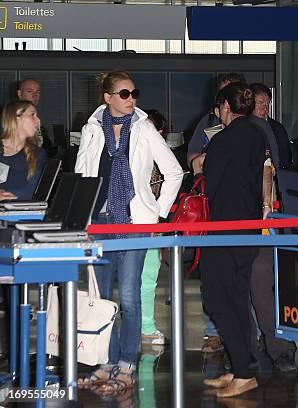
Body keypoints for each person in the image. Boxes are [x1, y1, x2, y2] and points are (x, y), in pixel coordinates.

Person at [75, 71, 183, 392]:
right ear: (108, 97)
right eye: (124, 94)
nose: (131, 99)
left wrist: (157, 216)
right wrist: (85, 222)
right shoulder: (92, 130)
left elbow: (174, 172)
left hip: (136, 223)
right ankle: (106, 363)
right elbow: (83, 176)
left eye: (134, 93)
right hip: (101, 222)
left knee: (131, 297)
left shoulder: (144, 128)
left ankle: (127, 365)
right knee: (102, 299)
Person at [194, 82, 268, 398]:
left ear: (226, 106)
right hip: (248, 227)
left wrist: (199, 164)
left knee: (215, 297)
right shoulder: (258, 134)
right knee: (238, 297)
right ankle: (243, 366)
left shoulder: (223, 140)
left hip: (223, 229)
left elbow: (208, 185)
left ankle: (242, 371)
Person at [188, 72, 245, 355]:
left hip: (231, 215)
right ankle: (223, 340)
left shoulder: (239, 134)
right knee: (223, 282)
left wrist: (204, 168)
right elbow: (192, 155)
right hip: (226, 216)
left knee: (226, 285)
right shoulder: (211, 126)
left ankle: (243, 355)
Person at [247, 83, 296, 372]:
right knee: (261, 279)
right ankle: (271, 343)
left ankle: (270, 342)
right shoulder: (249, 130)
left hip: (274, 208)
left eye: (267, 101)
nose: (263, 106)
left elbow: (283, 163)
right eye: (259, 101)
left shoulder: (274, 129)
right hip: (263, 212)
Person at [140, 109, 169, 347]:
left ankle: (146, 325)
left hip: (151, 222)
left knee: (148, 274)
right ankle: (145, 326)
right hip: (144, 222)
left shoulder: (156, 160)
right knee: (145, 276)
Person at [187, 72, 246, 170]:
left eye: (229, 93)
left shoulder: (253, 125)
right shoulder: (208, 121)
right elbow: (191, 157)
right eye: (221, 93)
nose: (223, 98)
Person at [0, 100, 46, 200]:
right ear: (15, 117)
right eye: (32, 115)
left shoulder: (37, 154)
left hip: (24, 213)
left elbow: (30, 193)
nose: (38, 120)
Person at [16, 78, 56, 157]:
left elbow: (46, 147)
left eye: (38, 92)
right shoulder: (9, 116)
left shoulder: (39, 119)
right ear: (20, 94)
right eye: (29, 91)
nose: (35, 95)